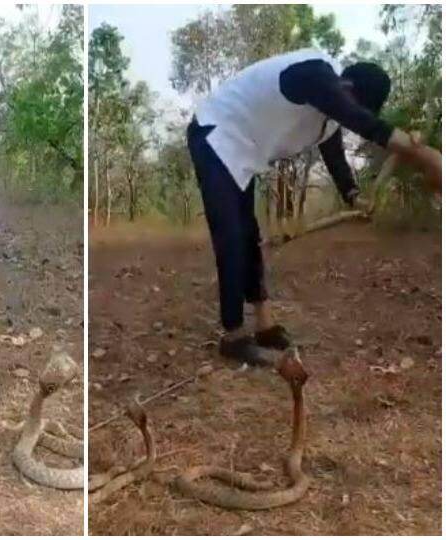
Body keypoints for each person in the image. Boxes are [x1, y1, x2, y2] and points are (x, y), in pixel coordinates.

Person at [187, 47, 442, 366]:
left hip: (243, 148)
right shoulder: (314, 73)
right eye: (352, 107)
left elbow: (333, 152)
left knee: (248, 233)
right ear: (347, 89)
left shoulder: (328, 113)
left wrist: (352, 195)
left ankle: (264, 326)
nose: (347, 117)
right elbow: (354, 117)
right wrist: (426, 156)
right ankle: (234, 335)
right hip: (214, 131)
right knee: (231, 234)